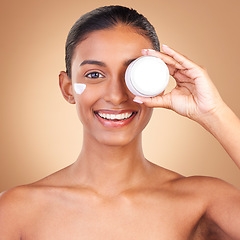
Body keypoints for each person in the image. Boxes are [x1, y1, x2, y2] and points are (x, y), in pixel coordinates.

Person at [0, 5, 240, 240]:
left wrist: (214, 112)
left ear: (157, 81)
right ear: (68, 88)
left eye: (133, 74)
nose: (116, 96)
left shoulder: (202, 202)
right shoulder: (15, 210)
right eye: (94, 75)